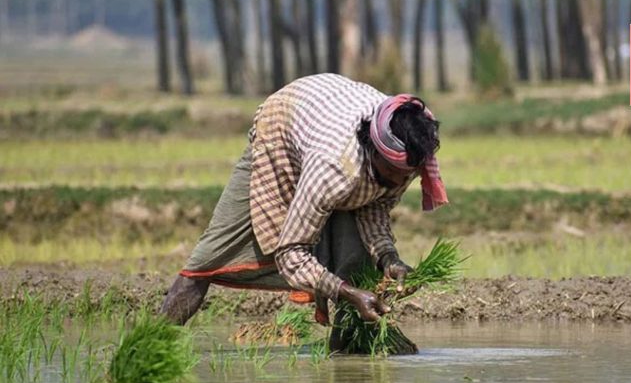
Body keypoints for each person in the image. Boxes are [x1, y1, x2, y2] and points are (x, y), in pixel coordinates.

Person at [159, 73, 448, 334]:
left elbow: (375, 205)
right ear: (373, 151)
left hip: (325, 115)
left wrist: (388, 258)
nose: (400, 182)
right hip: (282, 129)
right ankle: (152, 343)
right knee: (208, 257)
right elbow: (291, 253)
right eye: (394, 174)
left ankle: (349, 363)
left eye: (407, 176)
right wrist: (347, 293)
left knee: (358, 262)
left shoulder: (403, 158)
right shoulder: (334, 167)